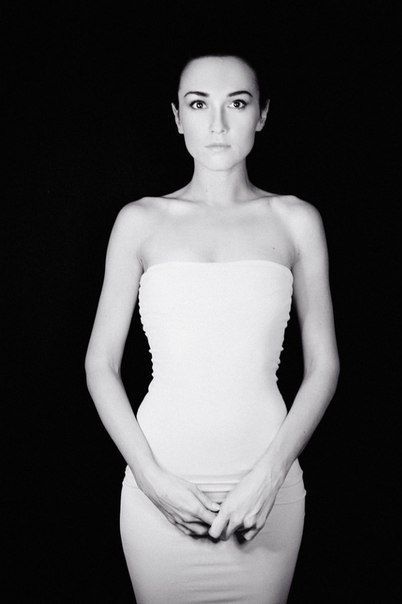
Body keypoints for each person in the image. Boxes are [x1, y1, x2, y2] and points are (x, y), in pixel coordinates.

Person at [85, 51, 340, 603]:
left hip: (266, 492)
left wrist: (270, 477)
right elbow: (99, 364)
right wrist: (150, 478)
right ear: (178, 117)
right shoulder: (139, 221)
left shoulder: (295, 220)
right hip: (161, 488)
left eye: (237, 103)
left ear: (262, 115)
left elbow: (324, 365)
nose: (218, 124)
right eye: (199, 105)